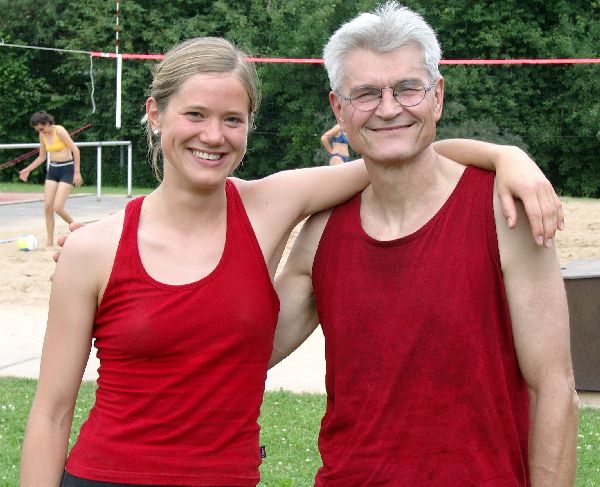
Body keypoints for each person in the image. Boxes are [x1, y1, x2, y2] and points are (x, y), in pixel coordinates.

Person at [23, 36, 562, 487]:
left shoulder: (272, 205)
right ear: (155, 114)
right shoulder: (96, 248)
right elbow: (50, 412)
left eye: (232, 119)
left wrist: (506, 156)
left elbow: (401, 149)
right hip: (107, 473)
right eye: (195, 114)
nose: (213, 135)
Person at [271, 3, 578, 486]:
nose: (388, 108)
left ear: (437, 97)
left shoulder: (504, 214)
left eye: (407, 88)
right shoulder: (321, 233)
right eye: (366, 93)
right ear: (338, 109)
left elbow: (554, 390)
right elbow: (247, 351)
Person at [19, 111, 83, 247]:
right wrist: (28, 169)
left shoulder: (59, 131)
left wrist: (77, 172)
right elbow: (42, 157)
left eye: (42, 128)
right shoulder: (42, 135)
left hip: (67, 169)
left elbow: (75, 149)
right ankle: (49, 242)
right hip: (53, 170)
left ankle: (78, 229)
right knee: (47, 206)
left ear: (48, 123)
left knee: (58, 207)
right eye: (38, 130)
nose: (41, 131)